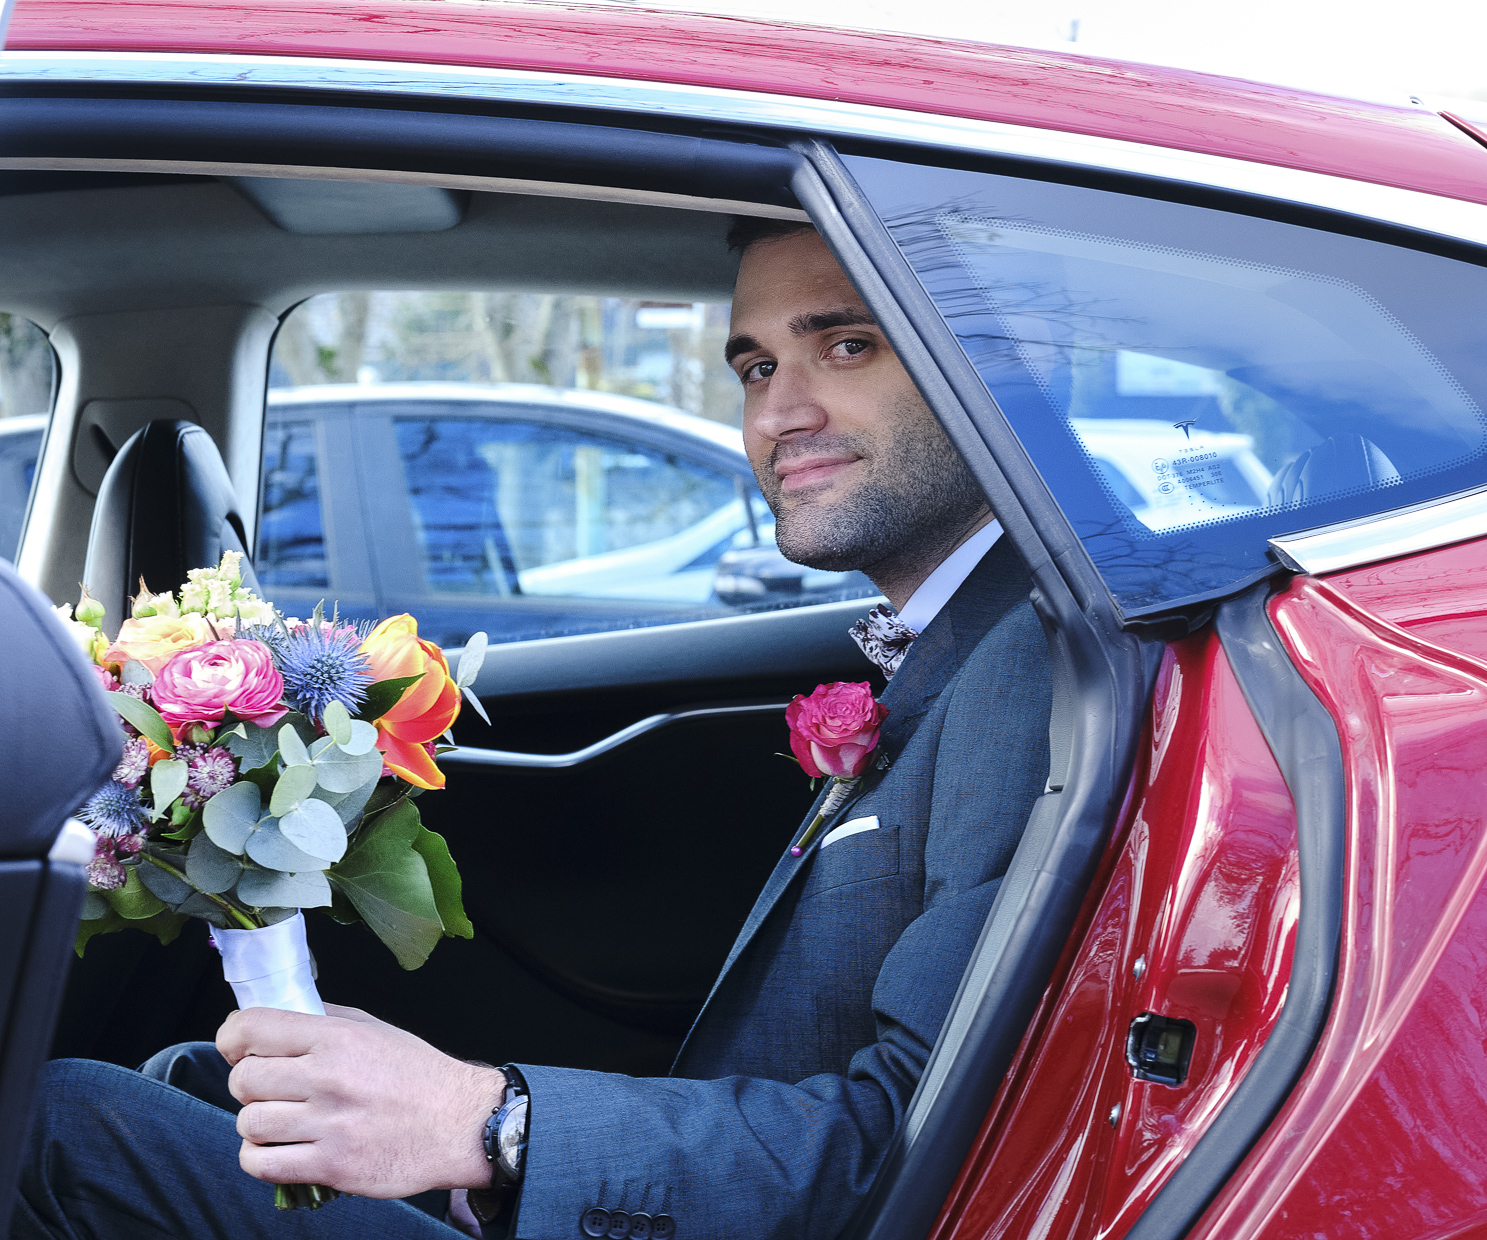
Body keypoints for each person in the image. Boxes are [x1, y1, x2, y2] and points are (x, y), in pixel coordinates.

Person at [11, 219, 1054, 1240]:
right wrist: (471, 1162)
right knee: (206, 1083)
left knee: (67, 1128)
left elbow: (921, 1141)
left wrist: (488, 1122)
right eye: (753, 366)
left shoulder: (1031, 663)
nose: (780, 411)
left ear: (989, 371)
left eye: (846, 344)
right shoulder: (950, 644)